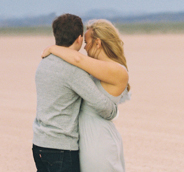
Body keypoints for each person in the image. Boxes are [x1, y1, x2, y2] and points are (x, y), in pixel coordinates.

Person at [41, 19, 130, 172]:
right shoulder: (95, 68)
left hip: (98, 142)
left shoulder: (117, 70)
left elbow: (77, 59)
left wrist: (52, 49)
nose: (85, 47)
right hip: (86, 141)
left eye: (87, 42)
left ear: (98, 43)